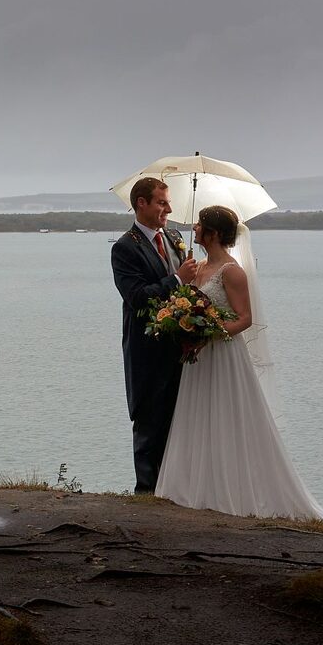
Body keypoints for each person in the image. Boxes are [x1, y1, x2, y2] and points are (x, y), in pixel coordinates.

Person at [156, 204, 323, 528]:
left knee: (225, 418)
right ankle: (195, 490)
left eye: (200, 224)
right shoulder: (199, 266)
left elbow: (245, 319)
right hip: (199, 359)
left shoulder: (232, 271)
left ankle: (229, 492)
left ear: (214, 233)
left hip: (222, 355)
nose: (194, 228)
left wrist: (211, 333)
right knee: (198, 417)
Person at [110, 177, 200, 495]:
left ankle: (174, 490)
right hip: (146, 352)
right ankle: (146, 495)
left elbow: (184, 290)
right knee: (148, 426)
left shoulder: (174, 236)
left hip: (179, 349)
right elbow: (137, 298)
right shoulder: (124, 248)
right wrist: (177, 279)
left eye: (168, 202)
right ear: (141, 204)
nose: (169, 208)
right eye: (162, 202)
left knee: (178, 423)